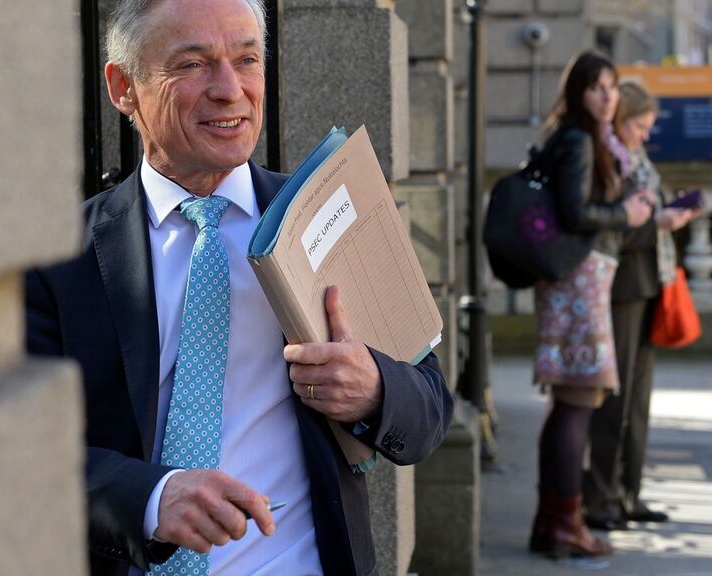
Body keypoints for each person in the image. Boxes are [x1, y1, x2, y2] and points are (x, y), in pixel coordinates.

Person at [23, 1, 454, 575]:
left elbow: (430, 406)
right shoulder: (58, 257)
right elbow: (20, 453)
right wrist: (152, 498)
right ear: (123, 87)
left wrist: (374, 390)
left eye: (247, 59)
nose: (230, 89)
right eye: (193, 64)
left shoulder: (325, 218)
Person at [526, 50, 653, 559]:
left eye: (613, 87)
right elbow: (576, 212)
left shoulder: (581, 137)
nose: (608, 97)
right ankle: (564, 524)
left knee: (571, 405)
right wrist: (626, 212)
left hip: (580, 282)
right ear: (579, 91)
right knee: (577, 402)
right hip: (579, 284)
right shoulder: (579, 140)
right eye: (598, 87)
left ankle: (554, 522)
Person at [582, 81, 698, 531]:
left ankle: (629, 494)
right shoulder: (606, 161)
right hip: (621, 287)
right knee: (615, 399)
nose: (644, 135)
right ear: (617, 119)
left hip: (650, 283)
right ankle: (601, 499)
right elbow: (608, 229)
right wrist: (658, 224)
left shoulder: (637, 160)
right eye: (638, 125)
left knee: (639, 400)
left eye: (649, 127)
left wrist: (674, 214)